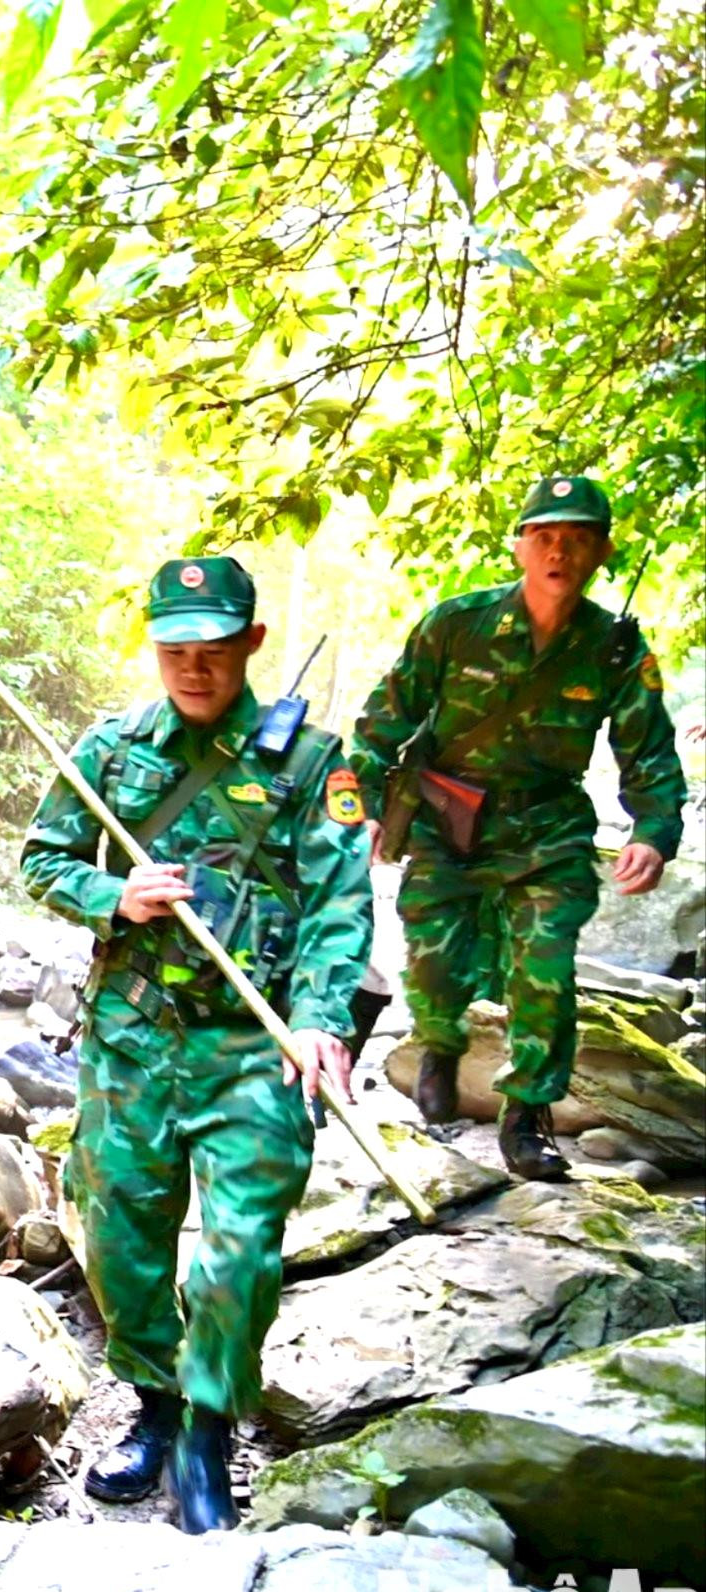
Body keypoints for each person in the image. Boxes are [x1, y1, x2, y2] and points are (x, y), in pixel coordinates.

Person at [21, 555, 373, 1534]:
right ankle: (155, 1408)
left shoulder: (310, 764)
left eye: (212, 650)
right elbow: (41, 857)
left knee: (237, 1255)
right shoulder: (112, 749)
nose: (192, 668)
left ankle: (210, 1432)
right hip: (130, 1041)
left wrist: (317, 1017)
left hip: (252, 1047)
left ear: (250, 643)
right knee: (124, 1244)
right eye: (175, 649)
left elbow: (340, 905)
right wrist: (110, 895)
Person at [349, 475, 685, 1179]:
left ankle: (528, 1115)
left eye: (577, 538)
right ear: (520, 548)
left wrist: (652, 830)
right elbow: (386, 717)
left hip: (548, 830)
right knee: (437, 964)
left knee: (546, 972)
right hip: (448, 819)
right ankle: (439, 1041)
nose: (559, 551)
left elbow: (647, 748)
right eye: (544, 536)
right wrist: (369, 799)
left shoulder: (615, 650)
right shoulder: (456, 624)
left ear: (603, 551)